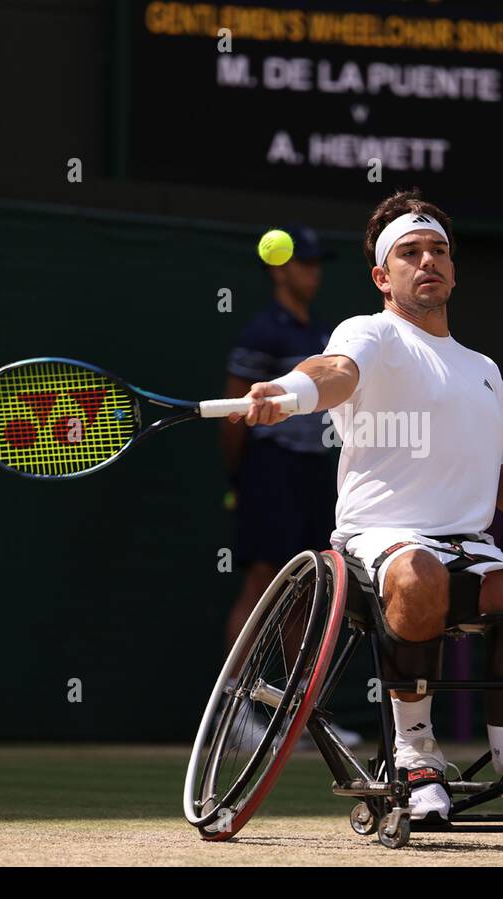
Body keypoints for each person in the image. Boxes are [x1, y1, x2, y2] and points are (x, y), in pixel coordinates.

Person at [228, 191, 503, 821]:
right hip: (380, 540)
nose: (428, 261)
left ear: (453, 267)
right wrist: (289, 393)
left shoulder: (484, 368)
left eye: (439, 251)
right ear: (381, 276)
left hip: (469, 544)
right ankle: (416, 750)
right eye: (410, 252)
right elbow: (336, 371)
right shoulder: (371, 332)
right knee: (418, 574)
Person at [220, 223, 361, 748]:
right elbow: (234, 414)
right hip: (268, 468)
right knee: (262, 580)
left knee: (307, 588)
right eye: (304, 262)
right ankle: (234, 712)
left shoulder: (320, 334)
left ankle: (298, 713)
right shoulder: (263, 332)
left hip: (312, 471)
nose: (313, 272)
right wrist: (240, 478)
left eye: (317, 262)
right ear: (280, 268)